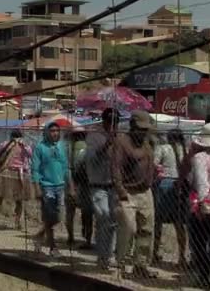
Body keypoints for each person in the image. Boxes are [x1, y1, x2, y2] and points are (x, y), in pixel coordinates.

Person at [112, 110, 158, 278]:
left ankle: (141, 265)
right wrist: (121, 191)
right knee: (129, 229)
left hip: (145, 191)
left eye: (146, 129)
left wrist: (151, 182)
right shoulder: (122, 142)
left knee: (147, 229)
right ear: (132, 126)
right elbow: (116, 169)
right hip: (128, 192)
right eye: (141, 128)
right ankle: (121, 264)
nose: (143, 132)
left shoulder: (148, 142)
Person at [31, 122, 73, 258]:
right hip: (46, 186)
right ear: (47, 132)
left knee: (57, 217)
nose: (55, 133)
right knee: (50, 216)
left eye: (57, 131)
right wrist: (37, 188)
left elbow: (66, 168)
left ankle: (39, 235)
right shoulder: (40, 148)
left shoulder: (62, 146)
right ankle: (53, 247)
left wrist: (71, 186)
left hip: (60, 186)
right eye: (52, 131)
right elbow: (35, 170)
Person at [188, 123, 210, 290]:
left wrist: (203, 203)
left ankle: (204, 275)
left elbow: (201, 182)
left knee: (199, 241)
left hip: (205, 203)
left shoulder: (199, 157)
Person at [86, 108, 120, 270]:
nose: (113, 125)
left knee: (113, 222)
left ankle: (109, 254)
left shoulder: (119, 137)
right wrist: (107, 144)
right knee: (103, 216)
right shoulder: (94, 136)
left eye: (116, 122)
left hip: (113, 185)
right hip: (98, 185)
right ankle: (102, 255)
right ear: (104, 121)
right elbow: (92, 158)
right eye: (111, 121)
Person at [152, 129, 187, 267]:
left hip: (164, 183)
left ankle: (155, 252)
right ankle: (182, 257)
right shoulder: (186, 149)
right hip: (180, 184)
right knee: (179, 224)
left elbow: (155, 164)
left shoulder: (163, 148)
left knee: (158, 221)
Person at [0, 129, 33, 229]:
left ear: (11, 136)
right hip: (20, 175)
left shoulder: (5, 144)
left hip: (7, 173)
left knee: (1, 197)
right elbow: (31, 155)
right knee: (19, 200)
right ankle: (17, 223)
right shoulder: (25, 146)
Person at [66, 127, 93, 249]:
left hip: (71, 182)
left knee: (70, 212)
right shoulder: (88, 148)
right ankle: (87, 238)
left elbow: (69, 167)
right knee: (87, 213)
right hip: (86, 184)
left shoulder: (68, 148)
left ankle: (70, 237)